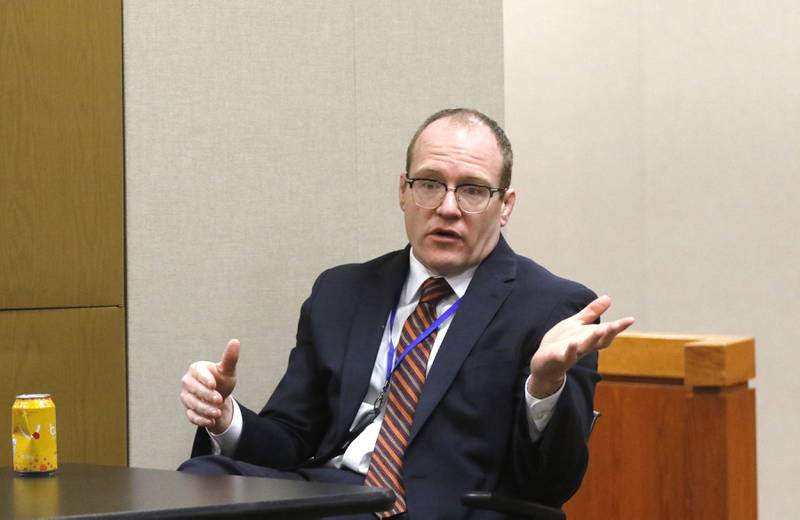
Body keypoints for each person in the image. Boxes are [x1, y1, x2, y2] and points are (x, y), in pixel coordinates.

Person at [178, 108, 634, 519]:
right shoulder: (342, 291)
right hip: (329, 495)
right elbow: (292, 441)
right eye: (430, 184)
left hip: (442, 507)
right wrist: (225, 416)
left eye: (473, 190)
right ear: (403, 191)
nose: (448, 208)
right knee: (194, 482)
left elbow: (553, 484)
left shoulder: (553, 309)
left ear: (505, 207)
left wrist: (544, 385)